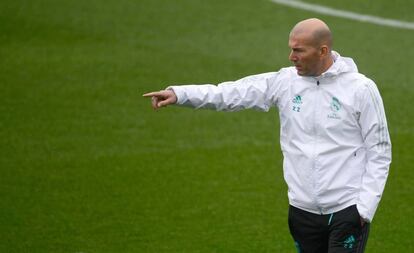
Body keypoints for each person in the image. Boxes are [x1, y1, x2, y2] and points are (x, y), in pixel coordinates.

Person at [143, 18, 391, 253]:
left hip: (346, 210)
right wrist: (180, 94)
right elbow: (232, 93)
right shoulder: (285, 82)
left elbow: (379, 150)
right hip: (301, 210)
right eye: (291, 49)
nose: (291, 57)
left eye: (299, 50)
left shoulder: (360, 89)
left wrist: (364, 209)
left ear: (323, 51)